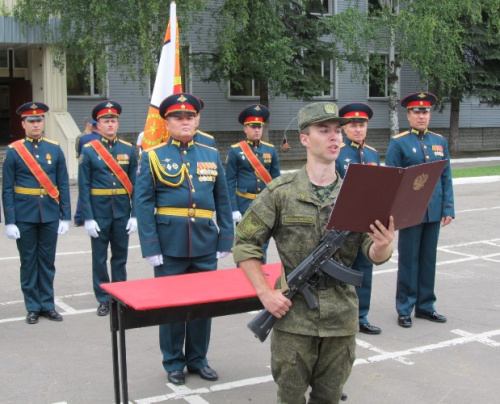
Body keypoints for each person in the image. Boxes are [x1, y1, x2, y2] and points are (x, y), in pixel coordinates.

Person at [233, 101, 394, 403]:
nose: (336, 137)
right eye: (324, 130)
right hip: (293, 318)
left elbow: (372, 252)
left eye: (338, 131)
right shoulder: (280, 192)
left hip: (341, 317)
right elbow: (244, 243)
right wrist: (265, 294)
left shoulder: (357, 195)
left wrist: (383, 245)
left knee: (329, 398)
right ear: (305, 139)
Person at [135, 93, 233, 386]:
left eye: (189, 117)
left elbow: (223, 201)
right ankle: (174, 362)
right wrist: (150, 246)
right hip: (169, 245)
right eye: (178, 117)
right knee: (173, 307)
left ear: (197, 120)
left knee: (204, 306)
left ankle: (198, 360)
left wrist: (225, 238)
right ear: (167, 122)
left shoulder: (211, 154)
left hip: (204, 242)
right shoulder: (152, 156)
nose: (184, 122)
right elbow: (142, 204)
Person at [385, 92, 454, 328]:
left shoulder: (439, 142)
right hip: (409, 212)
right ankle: (404, 308)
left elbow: (446, 177)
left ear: (430, 114)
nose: (421, 115)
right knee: (408, 261)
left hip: (433, 210)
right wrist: (393, 213)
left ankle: (425, 306)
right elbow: (391, 180)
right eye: (417, 111)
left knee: (428, 260)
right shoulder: (399, 142)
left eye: (425, 111)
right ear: (408, 115)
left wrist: (448, 207)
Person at [2, 101, 71, 325]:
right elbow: (7, 188)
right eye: (31, 121)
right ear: (23, 124)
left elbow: (62, 183)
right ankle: (32, 306)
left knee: (47, 262)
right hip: (24, 215)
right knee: (29, 262)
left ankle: (48, 305)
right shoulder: (13, 151)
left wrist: (66, 216)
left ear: (43, 122)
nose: (35, 124)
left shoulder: (54, 148)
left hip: (49, 214)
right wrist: (10, 221)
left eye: (39, 120)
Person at [78, 100, 138, 317]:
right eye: (106, 121)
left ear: (117, 124)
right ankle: (103, 298)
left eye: (113, 121)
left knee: (120, 257)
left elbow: (136, 185)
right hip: (99, 213)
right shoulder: (89, 150)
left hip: (122, 212)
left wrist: (135, 215)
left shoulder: (129, 150)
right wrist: (88, 217)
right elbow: (84, 186)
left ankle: (120, 296)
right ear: (98, 125)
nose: (110, 125)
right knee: (99, 258)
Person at [336, 102, 382, 335]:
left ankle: (361, 316)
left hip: (368, 222)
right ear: (345, 128)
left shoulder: (373, 153)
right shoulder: (338, 153)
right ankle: (342, 315)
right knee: (342, 268)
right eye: (353, 125)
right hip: (344, 222)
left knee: (364, 269)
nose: (358, 130)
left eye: (361, 125)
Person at [225, 104, 280, 263]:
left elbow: (276, 181)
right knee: (245, 244)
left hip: (265, 204)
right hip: (244, 205)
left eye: (259, 127)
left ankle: (261, 275)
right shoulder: (235, 150)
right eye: (253, 127)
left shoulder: (271, 150)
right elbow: (230, 181)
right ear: (245, 129)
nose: (257, 130)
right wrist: (233, 208)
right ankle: (243, 276)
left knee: (263, 242)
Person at [74, 118, 100, 227]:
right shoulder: (101, 138)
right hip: (99, 169)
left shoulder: (82, 138)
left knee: (83, 191)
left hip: (84, 167)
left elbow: (79, 154)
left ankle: (79, 216)